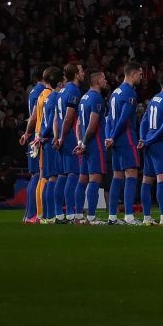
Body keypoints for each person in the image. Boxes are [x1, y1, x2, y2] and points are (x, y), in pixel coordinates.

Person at [104, 62, 144, 224]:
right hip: (126, 138)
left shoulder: (115, 92)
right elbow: (124, 119)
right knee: (131, 175)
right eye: (140, 73)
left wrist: (109, 136)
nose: (141, 76)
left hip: (115, 140)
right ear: (133, 73)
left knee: (117, 176)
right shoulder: (129, 93)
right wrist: (113, 136)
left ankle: (112, 216)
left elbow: (109, 119)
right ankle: (128, 216)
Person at [140, 70, 163, 225]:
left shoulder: (154, 98)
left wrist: (144, 138)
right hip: (159, 143)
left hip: (148, 142)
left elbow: (143, 120)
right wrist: (151, 140)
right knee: (162, 178)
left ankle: (146, 217)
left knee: (147, 180)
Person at [27, 66, 62, 224]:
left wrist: (29, 133)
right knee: (45, 176)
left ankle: (33, 214)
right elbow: (48, 120)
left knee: (40, 175)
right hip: (44, 138)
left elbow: (33, 116)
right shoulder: (50, 95)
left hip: (38, 136)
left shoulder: (40, 94)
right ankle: (42, 214)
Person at [53, 63, 86, 223]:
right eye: (81, 71)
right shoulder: (73, 90)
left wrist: (56, 136)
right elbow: (68, 117)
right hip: (70, 137)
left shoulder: (61, 91)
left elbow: (55, 117)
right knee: (73, 175)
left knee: (62, 175)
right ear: (75, 74)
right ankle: (72, 214)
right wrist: (63, 137)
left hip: (61, 137)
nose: (83, 73)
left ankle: (59, 214)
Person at [76, 69, 108, 223]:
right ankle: (91, 217)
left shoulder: (83, 98)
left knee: (82, 179)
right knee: (94, 178)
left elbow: (78, 124)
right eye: (104, 78)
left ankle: (77, 216)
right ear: (97, 81)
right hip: (94, 144)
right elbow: (92, 124)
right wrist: (85, 142)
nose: (106, 81)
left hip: (84, 144)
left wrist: (79, 142)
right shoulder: (97, 99)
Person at [21, 67, 48, 224]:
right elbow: (34, 117)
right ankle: (33, 214)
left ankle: (29, 214)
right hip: (37, 137)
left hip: (33, 136)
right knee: (38, 175)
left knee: (36, 175)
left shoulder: (34, 91)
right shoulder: (41, 92)